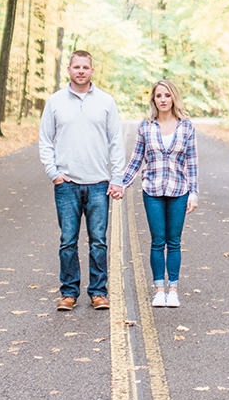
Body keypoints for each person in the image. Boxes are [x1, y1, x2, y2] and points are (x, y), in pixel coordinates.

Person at [38, 50, 126, 312]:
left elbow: (116, 142)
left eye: (85, 67)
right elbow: (45, 141)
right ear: (68, 69)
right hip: (67, 184)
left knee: (98, 240)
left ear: (92, 70)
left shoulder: (106, 102)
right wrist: (54, 174)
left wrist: (117, 178)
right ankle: (68, 292)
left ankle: (99, 292)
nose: (80, 71)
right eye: (76, 66)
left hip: (99, 182)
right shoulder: (55, 102)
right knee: (68, 240)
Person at [116, 79, 198, 308]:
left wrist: (194, 193)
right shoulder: (146, 126)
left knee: (174, 241)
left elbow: (192, 162)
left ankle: (173, 289)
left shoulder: (187, 127)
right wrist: (122, 184)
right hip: (152, 190)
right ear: (153, 99)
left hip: (179, 190)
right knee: (157, 240)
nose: (163, 100)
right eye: (159, 96)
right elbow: (136, 159)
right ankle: (159, 289)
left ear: (174, 98)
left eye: (167, 95)